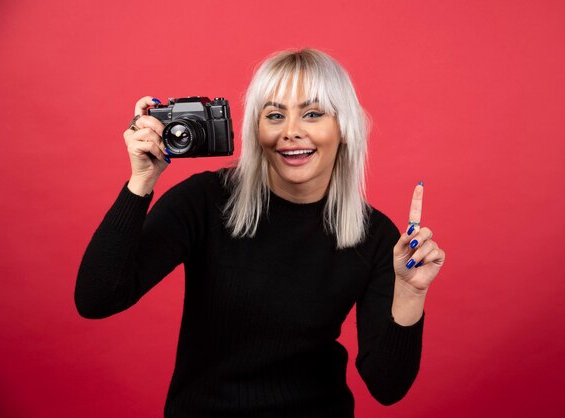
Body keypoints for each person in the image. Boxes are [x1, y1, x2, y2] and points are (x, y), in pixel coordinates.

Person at [75, 48, 446, 418]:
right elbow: (98, 298)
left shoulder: (376, 236)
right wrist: (141, 181)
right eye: (274, 115)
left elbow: (388, 386)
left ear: (344, 128)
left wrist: (412, 293)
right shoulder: (205, 202)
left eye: (313, 113)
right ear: (256, 128)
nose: (291, 132)